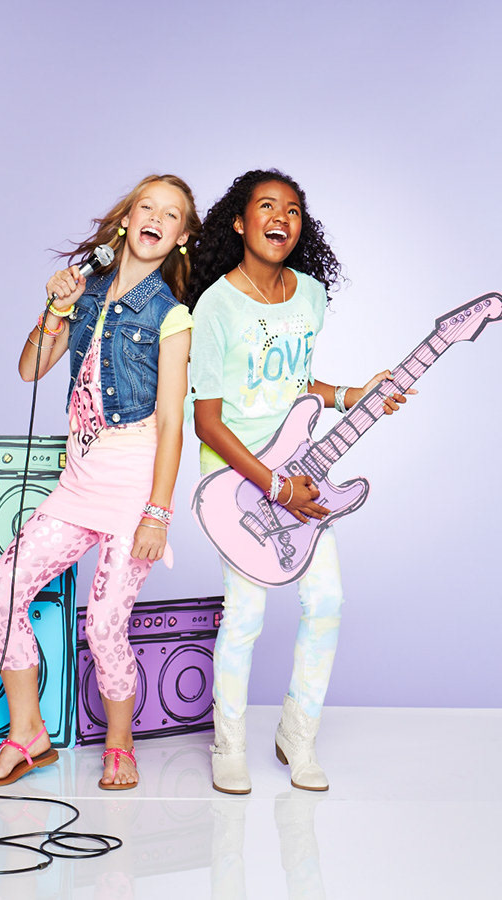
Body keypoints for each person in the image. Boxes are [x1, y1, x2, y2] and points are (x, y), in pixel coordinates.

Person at [188, 169, 414, 794]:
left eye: (292, 209)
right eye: (266, 206)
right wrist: (273, 486)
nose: (281, 217)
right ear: (240, 223)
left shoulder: (310, 295)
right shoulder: (215, 307)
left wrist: (351, 394)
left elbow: (292, 383)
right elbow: (207, 421)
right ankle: (229, 742)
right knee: (246, 613)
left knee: (328, 602)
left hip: (299, 468)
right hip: (237, 479)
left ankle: (299, 734)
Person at [0, 174, 201, 791]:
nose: (156, 218)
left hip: (133, 490)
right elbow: (30, 369)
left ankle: (120, 744)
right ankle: (28, 734)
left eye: (171, 215)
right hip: (78, 482)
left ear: (182, 237)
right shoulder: (89, 293)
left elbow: (173, 423)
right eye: (147, 206)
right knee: (2, 591)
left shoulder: (171, 315)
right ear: (126, 220)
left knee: (103, 623)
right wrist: (56, 307)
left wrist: (158, 513)